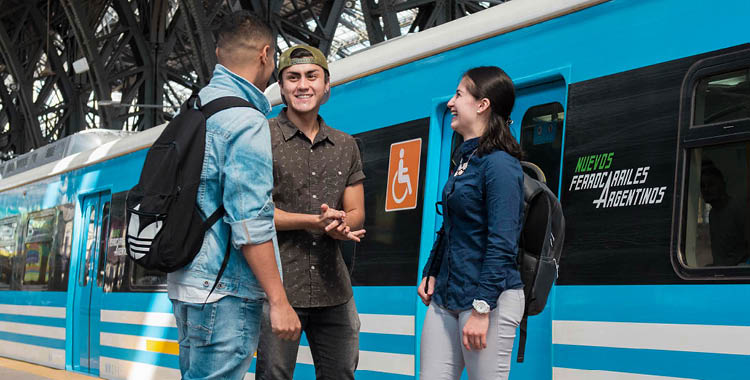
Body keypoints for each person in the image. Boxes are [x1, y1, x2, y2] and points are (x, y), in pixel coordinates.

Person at [167, 11, 301, 380]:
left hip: (187, 284)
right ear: (265, 54)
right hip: (224, 290)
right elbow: (249, 220)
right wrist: (279, 300)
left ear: (217, 52)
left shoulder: (194, 109)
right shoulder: (245, 120)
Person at [255, 45, 366, 380]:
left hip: (335, 290)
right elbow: (254, 213)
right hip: (279, 288)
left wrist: (342, 224)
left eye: (311, 76)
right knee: (274, 376)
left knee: (342, 374)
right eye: (293, 77)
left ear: (326, 85)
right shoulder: (262, 137)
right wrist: (313, 221)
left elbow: (357, 210)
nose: (302, 85)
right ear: (282, 88)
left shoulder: (346, 145)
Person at [418, 66, 525, 380]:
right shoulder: (465, 161)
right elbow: (449, 226)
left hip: (488, 299)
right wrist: (432, 271)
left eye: (459, 95)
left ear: (482, 105)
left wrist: (482, 308)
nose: (451, 103)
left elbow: (502, 241)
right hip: (447, 296)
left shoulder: (501, 165)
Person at [700, 161, 750, 266]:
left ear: (723, 185)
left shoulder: (739, 209)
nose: (706, 189)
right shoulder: (712, 214)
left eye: (711, 184)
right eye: (703, 186)